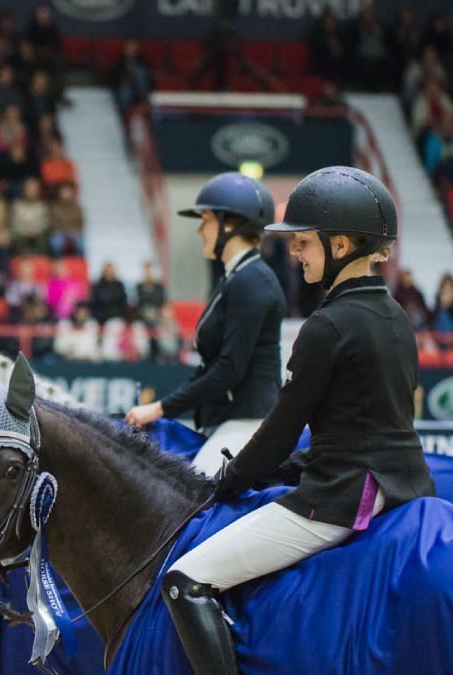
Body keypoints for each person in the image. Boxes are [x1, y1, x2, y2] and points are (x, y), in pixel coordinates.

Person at [163, 166, 437, 674]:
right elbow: (368, 422)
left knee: (185, 580)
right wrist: (291, 467)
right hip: (406, 484)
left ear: (341, 246)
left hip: (341, 498)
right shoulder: (399, 318)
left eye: (305, 243)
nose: (294, 253)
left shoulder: (326, 325)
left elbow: (278, 429)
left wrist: (227, 481)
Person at [125, 172, 286, 477]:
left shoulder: (251, 281)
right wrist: (161, 406)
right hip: (228, 417)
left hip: (248, 420)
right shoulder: (233, 277)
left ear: (230, 224)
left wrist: (160, 409)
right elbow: (209, 366)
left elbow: (228, 370)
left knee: (194, 495)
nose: (200, 230)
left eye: (206, 221)